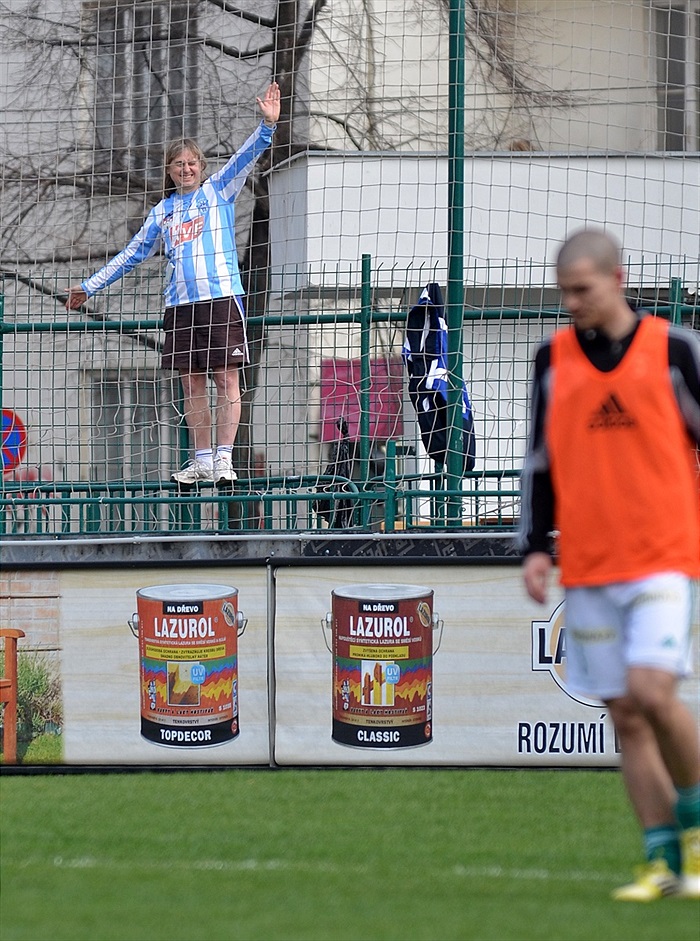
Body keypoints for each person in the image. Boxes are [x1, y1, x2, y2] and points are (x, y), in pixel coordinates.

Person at [519, 228, 700, 901]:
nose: (572, 303)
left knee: (655, 692)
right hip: (589, 565)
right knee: (624, 712)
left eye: (583, 290)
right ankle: (661, 862)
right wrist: (536, 545)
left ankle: (698, 824)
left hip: (664, 556)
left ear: (617, 279)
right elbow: (540, 462)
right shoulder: (552, 359)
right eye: (564, 292)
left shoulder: (674, 351)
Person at [66, 82, 281, 487]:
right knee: (191, 381)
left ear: (201, 167)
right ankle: (200, 459)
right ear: (169, 170)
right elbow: (131, 254)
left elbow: (245, 157)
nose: (186, 169)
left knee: (226, 378)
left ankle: (223, 459)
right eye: (178, 164)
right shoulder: (162, 212)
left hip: (221, 298)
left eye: (192, 163)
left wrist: (267, 126)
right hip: (181, 306)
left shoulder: (219, 191)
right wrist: (89, 287)